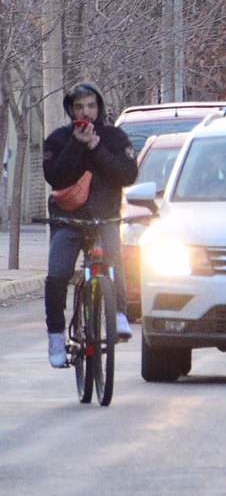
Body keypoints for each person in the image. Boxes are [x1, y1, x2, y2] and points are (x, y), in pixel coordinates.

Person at [42, 81, 138, 366]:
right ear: (71, 110)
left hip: (104, 216)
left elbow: (127, 174)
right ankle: (56, 336)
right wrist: (76, 143)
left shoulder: (115, 137)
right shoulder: (58, 140)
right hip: (68, 220)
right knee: (58, 275)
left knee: (113, 260)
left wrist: (96, 146)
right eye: (80, 107)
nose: (86, 112)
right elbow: (57, 177)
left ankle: (119, 314)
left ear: (100, 107)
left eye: (91, 106)